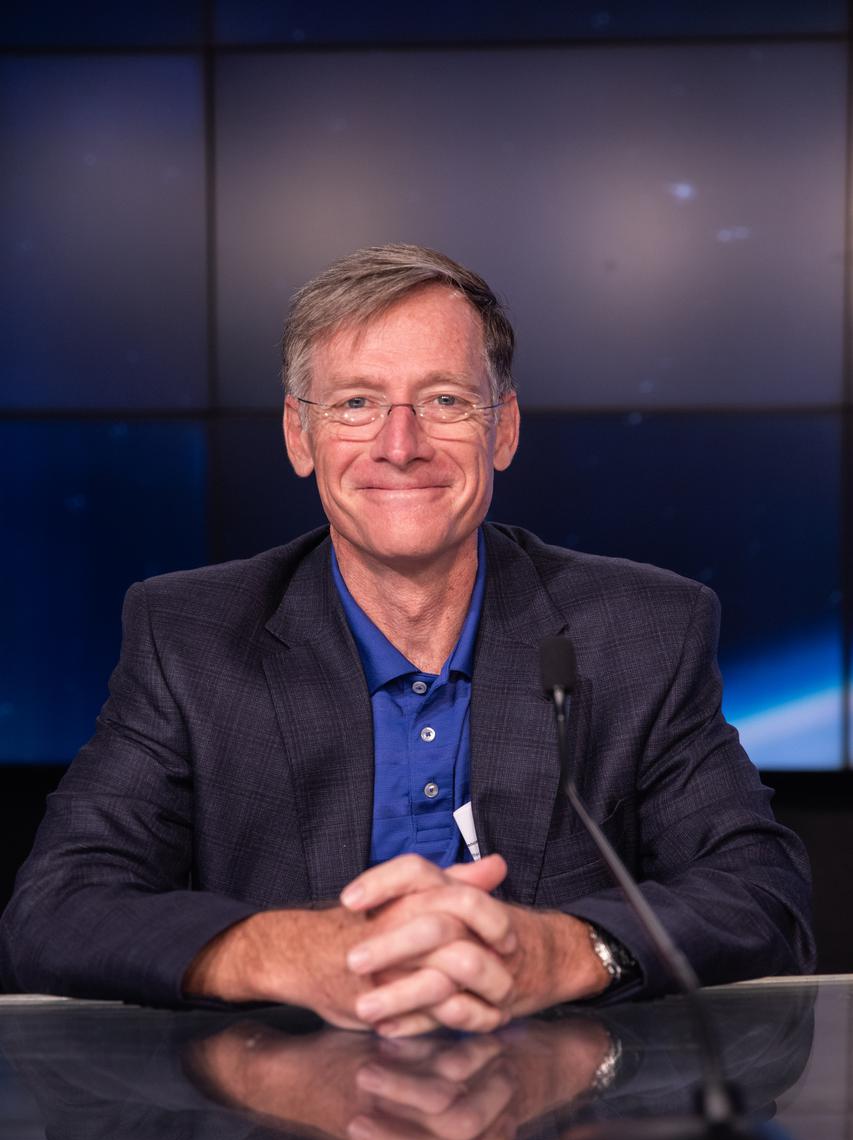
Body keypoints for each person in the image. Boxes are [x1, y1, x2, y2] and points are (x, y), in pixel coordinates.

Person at [0, 245, 814, 1035]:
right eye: (356, 402)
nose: (400, 444)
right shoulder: (189, 637)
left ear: (502, 431)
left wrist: (565, 950)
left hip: (558, 1132)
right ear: (298, 435)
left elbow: (761, 896)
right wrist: (290, 953)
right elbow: (56, 910)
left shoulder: (642, 630)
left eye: (444, 401)